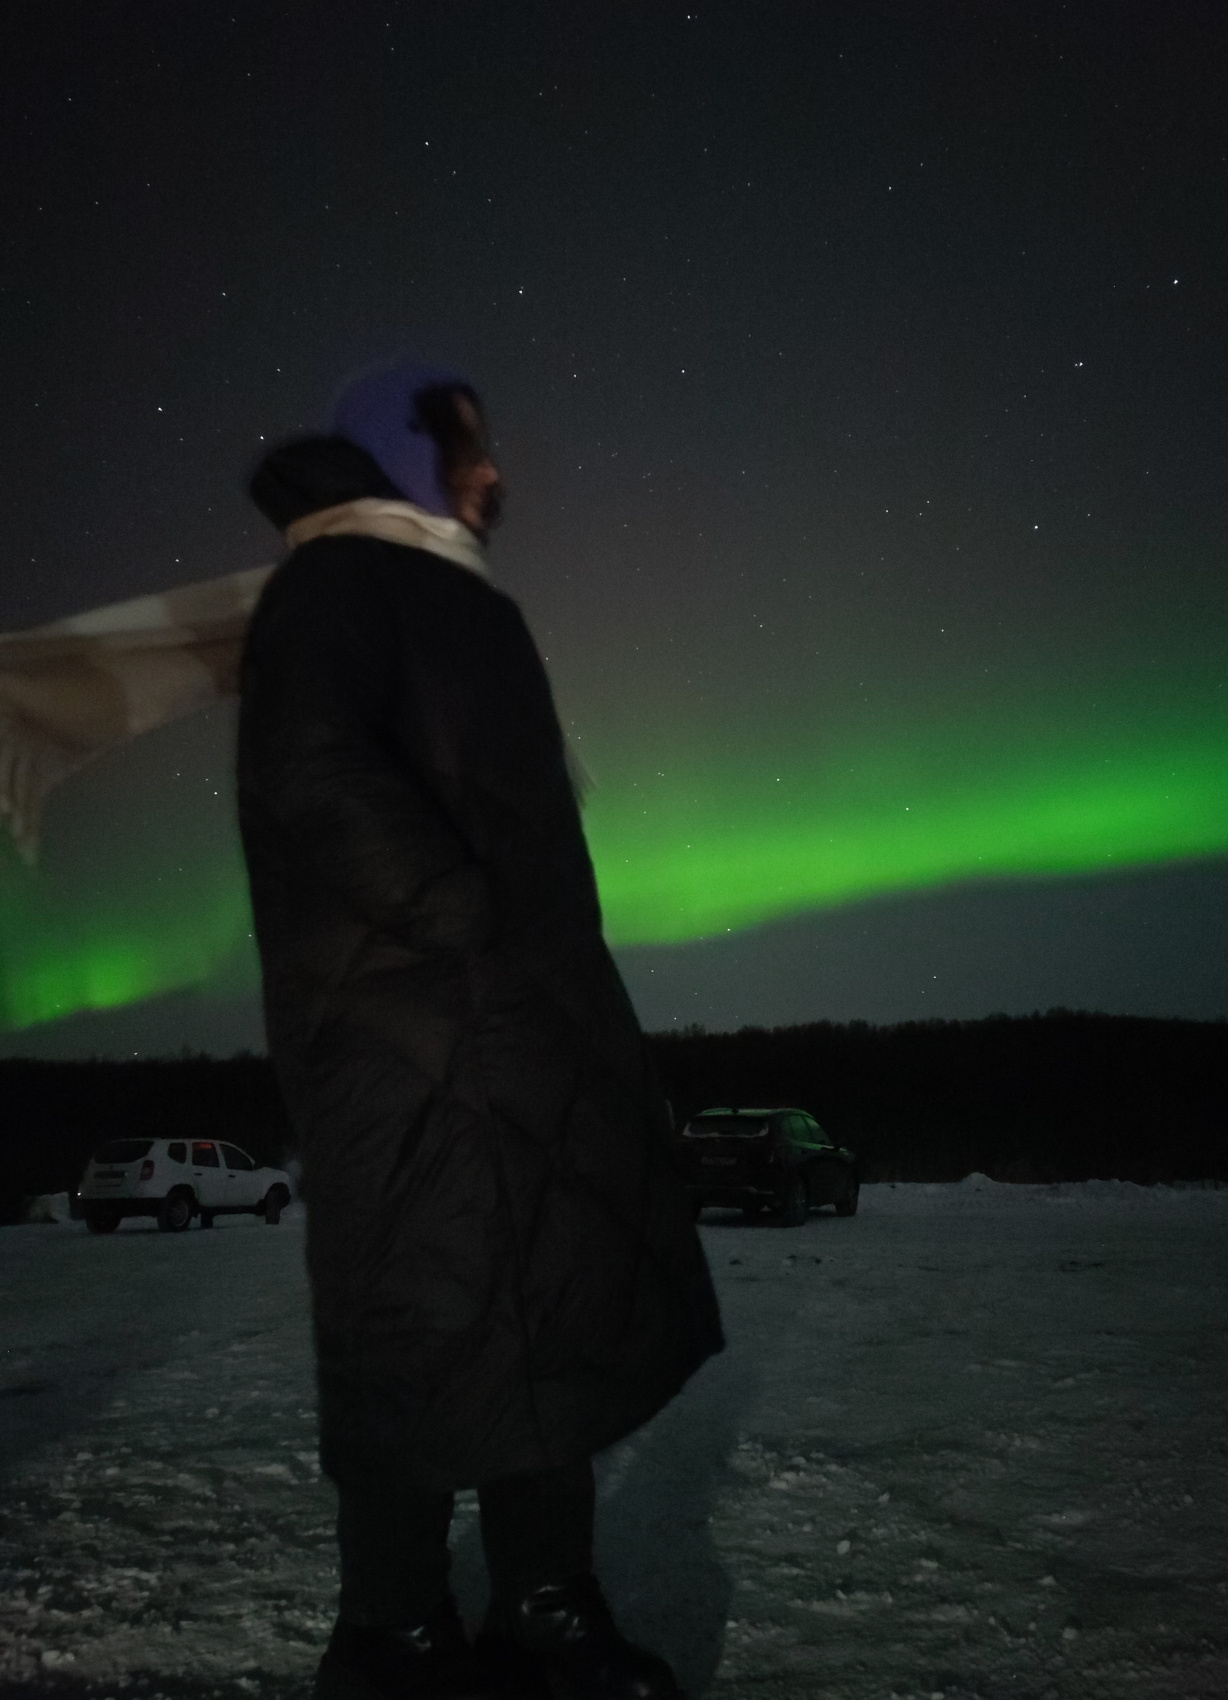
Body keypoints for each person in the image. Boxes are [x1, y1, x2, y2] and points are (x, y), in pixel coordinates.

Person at [237, 359, 724, 1700]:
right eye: (463, 457)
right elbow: (313, 773)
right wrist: (467, 916)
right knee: (423, 1320)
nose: (493, 476)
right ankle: (389, 1634)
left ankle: (544, 1609)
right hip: (406, 1033)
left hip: (514, 1027)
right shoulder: (333, 585)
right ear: (400, 462)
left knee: (545, 1317)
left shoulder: (446, 593)